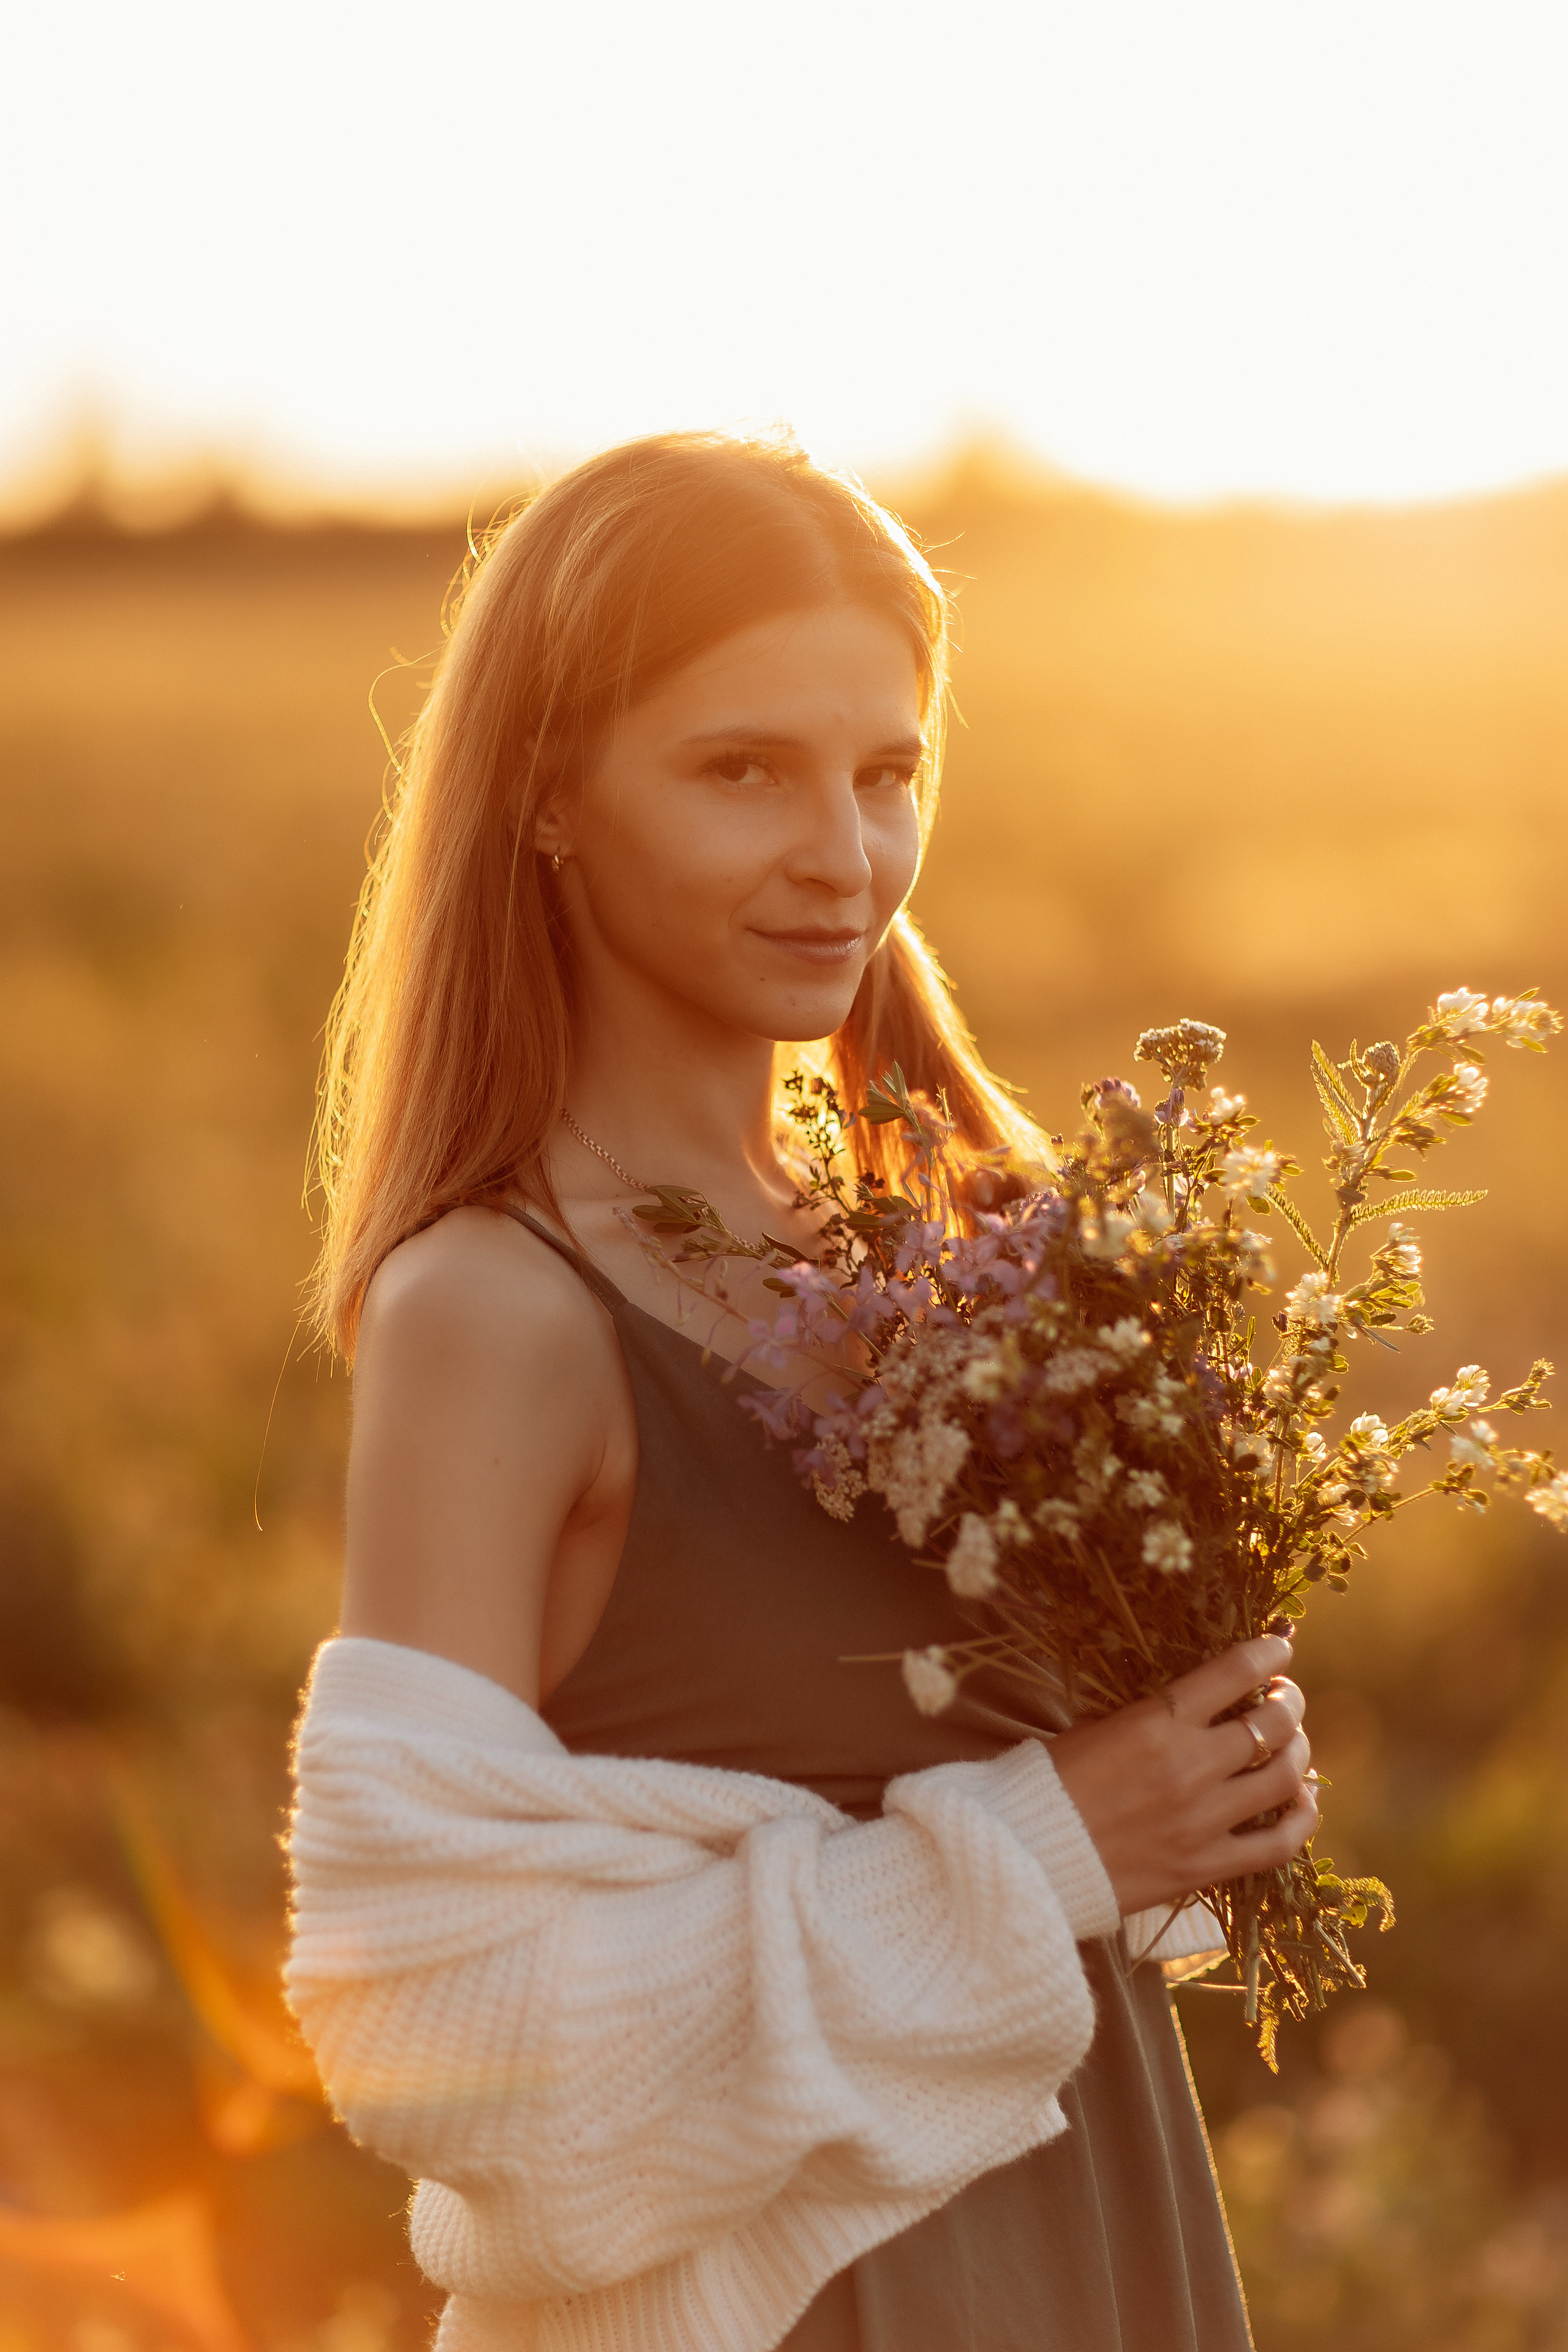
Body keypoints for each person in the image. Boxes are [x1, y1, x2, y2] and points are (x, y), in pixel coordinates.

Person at [286, 430, 1314, 2352]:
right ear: (550, 798)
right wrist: (1054, 1843)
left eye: (887, 773)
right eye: (742, 768)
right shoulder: (497, 1317)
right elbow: (438, 2041)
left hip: (1102, 2241)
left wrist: (1208, 1775)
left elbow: (1109, 1869)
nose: (843, 857)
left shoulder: (980, 1251)